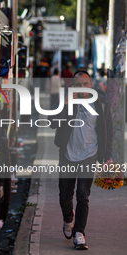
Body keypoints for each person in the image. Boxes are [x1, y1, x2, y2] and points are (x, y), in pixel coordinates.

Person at [48, 70, 113, 250]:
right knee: (64, 196)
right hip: (68, 154)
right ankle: (68, 217)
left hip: (89, 154)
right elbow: (52, 121)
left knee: (83, 195)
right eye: (78, 84)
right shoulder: (65, 99)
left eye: (85, 84)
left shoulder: (100, 102)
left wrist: (107, 155)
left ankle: (79, 233)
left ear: (91, 84)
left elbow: (108, 129)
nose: (82, 88)